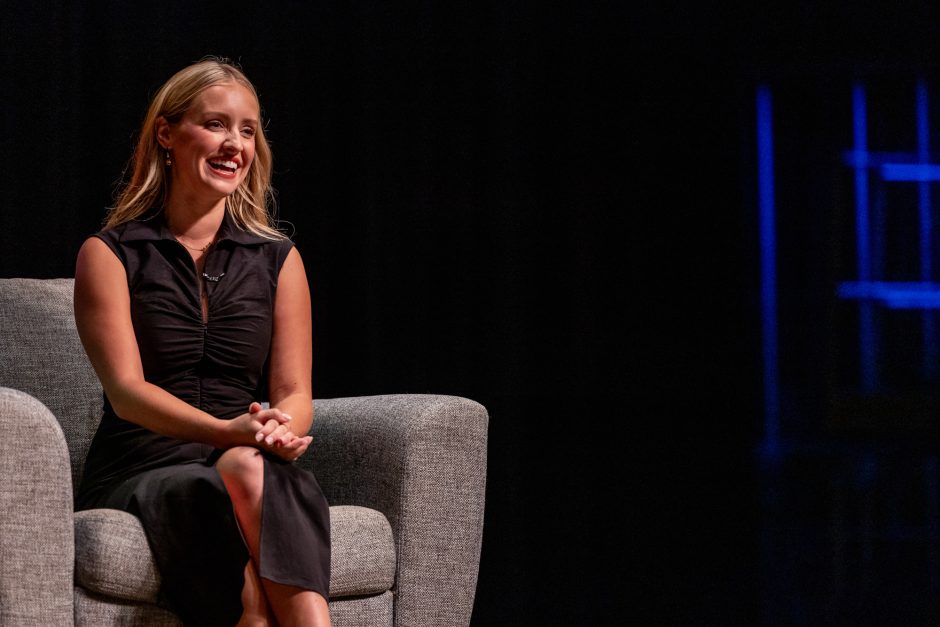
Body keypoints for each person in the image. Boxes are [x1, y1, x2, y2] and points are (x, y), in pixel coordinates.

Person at [73, 57, 331, 627]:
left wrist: (276, 429)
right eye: (216, 124)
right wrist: (224, 431)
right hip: (142, 465)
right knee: (215, 487)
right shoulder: (111, 254)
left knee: (251, 467)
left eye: (248, 130)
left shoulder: (279, 260)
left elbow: (294, 391)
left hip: (243, 455)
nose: (235, 144)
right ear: (166, 134)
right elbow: (126, 392)